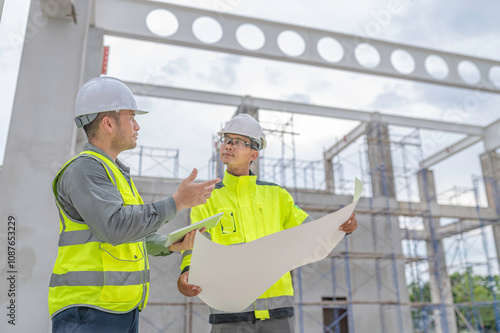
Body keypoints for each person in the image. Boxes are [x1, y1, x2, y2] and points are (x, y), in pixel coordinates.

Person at [48, 76, 220, 333]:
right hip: (89, 310)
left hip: (121, 308)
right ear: (108, 123)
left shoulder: (114, 173)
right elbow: (115, 227)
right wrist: (177, 202)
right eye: (131, 118)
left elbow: (132, 236)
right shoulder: (85, 169)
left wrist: (171, 243)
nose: (137, 126)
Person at [177, 113, 357, 333]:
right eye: (226, 140)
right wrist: (187, 271)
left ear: (254, 152)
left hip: (277, 311)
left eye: (237, 142)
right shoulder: (206, 198)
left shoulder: (277, 195)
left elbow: (310, 231)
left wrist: (341, 226)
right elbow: (195, 244)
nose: (228, 146)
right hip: (230, 309)